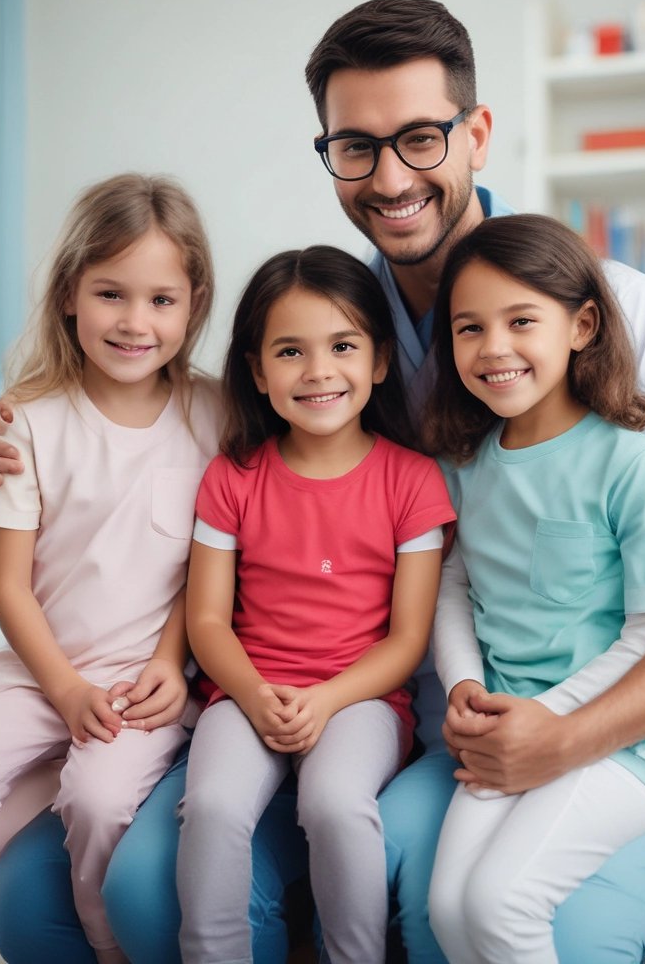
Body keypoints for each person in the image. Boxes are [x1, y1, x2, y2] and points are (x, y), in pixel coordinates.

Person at [0, 0, 645, 964]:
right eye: (356, 147)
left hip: (584, 721)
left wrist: (566, 738)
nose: (391, 177)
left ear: (477, 132)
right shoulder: (329, 332)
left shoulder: (615, 309)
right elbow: (188, 441)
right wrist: (31, 421)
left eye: (422, 139)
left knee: (483, 919)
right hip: (350, 707)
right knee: (82, 895)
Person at [422, 214, 645, 964]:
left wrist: (548, 720)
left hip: (619, 746)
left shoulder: (633, 466)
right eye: (469, 328)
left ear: (581, 326)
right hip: (503, 732)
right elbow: (454, 582)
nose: (494, 347)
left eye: (521, 321)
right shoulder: (470, 465)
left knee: (499, 900)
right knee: (448, 906)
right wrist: (466, 685)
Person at [0, 173, 220, 964]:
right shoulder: (26, 423)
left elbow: (211, 572)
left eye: (161, 299)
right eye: (111, 294)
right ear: (71, 294)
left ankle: (108, 949)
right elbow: (8, 586)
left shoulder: (219, 415)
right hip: (36, 669)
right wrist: (65, 688)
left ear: (194, 304)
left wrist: (169, 662)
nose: (135, 322)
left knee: (101, 797)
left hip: (145, 677)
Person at [177, 246, 455, 964]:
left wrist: (327, 700)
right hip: (245, 691)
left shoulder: (414, 481)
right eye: (291, 352)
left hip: (361, 699)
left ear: (381, 360)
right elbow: (206, 620)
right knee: (209, 806)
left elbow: (407, 639)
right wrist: (252, 692)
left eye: (342, 346)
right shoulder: (232, 478)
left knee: (333, 804)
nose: (319, 371)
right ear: (258, 370)